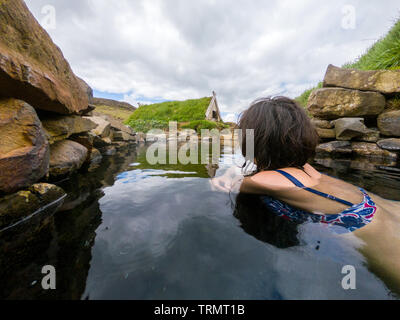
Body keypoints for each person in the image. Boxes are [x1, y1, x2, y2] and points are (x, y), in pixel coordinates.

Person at [211, 96, 400, 295]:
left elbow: (219, 185)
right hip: (377, 209)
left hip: (372, 237)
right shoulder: (308, 169)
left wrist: (226, 173)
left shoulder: (262, 180)